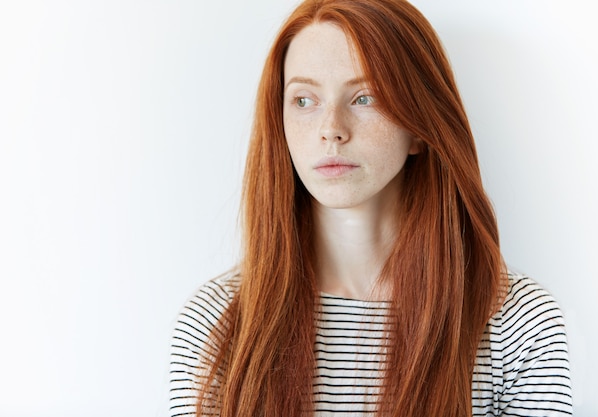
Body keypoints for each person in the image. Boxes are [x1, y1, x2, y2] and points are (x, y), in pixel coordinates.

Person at [169, 0, 573, 416]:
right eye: (304, 101)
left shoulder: (516, 324)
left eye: (364, 97)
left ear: (419, 126)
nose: (331, 130)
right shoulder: (216, 325)